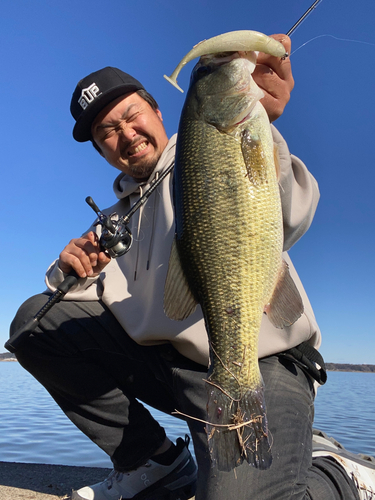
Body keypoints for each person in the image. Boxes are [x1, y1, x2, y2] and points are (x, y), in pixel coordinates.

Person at [10, 35, 375, 500]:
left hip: (263, 359)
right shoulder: (113, 220)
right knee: (34, 326)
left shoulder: (202, 150)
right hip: (175, 370)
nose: (125, 134)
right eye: (106, 132)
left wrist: (266, 122)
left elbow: (291, 214)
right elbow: (78, 306)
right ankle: (152, 463)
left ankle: (340, 475)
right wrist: (69, 269)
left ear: (158, 112)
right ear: (101, 150)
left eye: (130, 116)